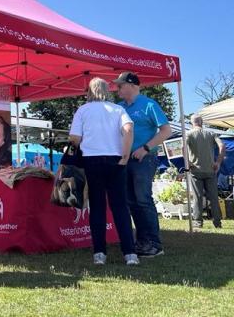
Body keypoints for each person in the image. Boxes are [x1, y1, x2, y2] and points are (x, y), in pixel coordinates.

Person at [69, 77, 138, 266]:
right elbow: (129, 129)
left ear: (90, 91)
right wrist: (125, 156)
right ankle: (130, 253)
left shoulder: (83, 110)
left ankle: (99, 253)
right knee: (120, 206)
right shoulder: (118, 109)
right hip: (116, 160)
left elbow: (74, 138)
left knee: (97, 207)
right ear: (107, 90)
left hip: (92, 161)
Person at [115, 71, 171, 258]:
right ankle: (142, 241)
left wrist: (145, 148)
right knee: (131, 201)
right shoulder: (119, 107)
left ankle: (154, 244)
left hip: (144, 159)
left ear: (131, 85)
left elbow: (166, 131)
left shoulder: (149, 104)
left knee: (143, 199)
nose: (117, 89)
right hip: (125, 159)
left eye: (120, 85)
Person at [186, 115, 225, 229]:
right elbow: (222, 146)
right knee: (213, 197)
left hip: (195, 170)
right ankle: (217, 223)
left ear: (192, 123)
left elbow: (182, 147)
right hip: (210, 170)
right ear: (202, 122)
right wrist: (217, 162)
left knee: (197, 197)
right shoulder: (211, 133)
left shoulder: (188, 134)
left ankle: (198, 222)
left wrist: (187, 162)